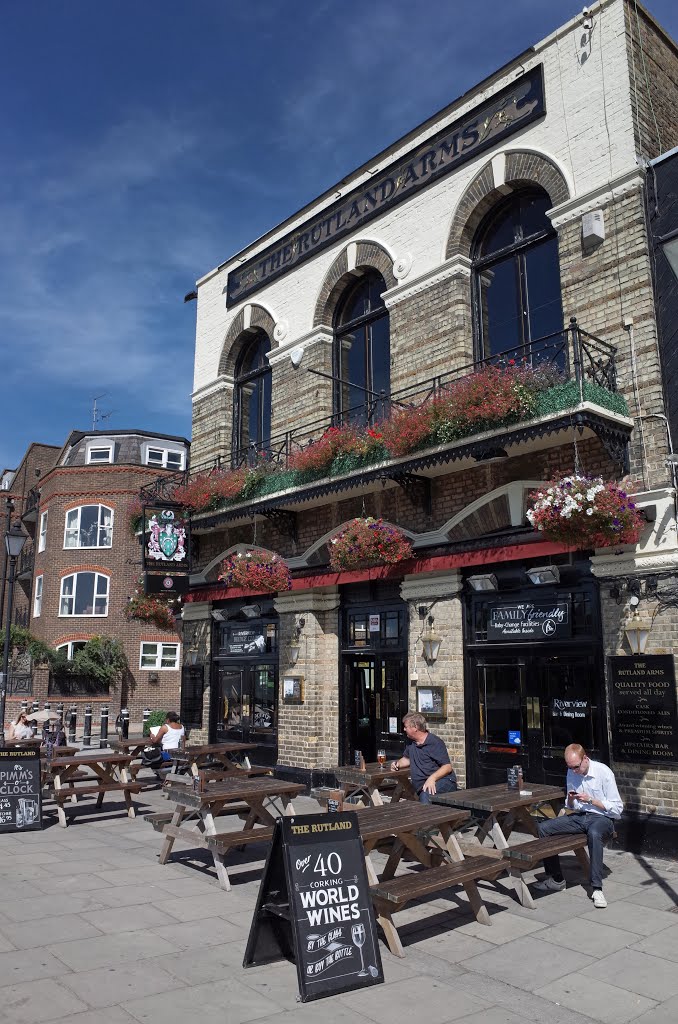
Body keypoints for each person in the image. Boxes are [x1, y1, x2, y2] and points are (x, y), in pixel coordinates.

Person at [533, 743, 622, 909]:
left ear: (585, 759)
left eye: (576, 767)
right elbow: (571, 806)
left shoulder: (604, 772)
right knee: (543, 828)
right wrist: (572, 800)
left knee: (594, 834)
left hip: (602, 818)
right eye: (570, 767)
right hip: (580, 816)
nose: (574, 771)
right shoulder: (571, 771)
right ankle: (556, 879)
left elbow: (617, 809)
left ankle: (597, 888)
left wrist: (591, 800)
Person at [391, 711, 457, 803]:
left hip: (444, 781)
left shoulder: (435, 742)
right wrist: (397, 764)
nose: (404, 729)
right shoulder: (411, 743)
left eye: (406, 727)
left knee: (426, 795)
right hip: (423, 785)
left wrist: (432, 778)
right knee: (424, 793)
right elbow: (407, 759)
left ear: (415, 728)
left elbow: (447, 767)